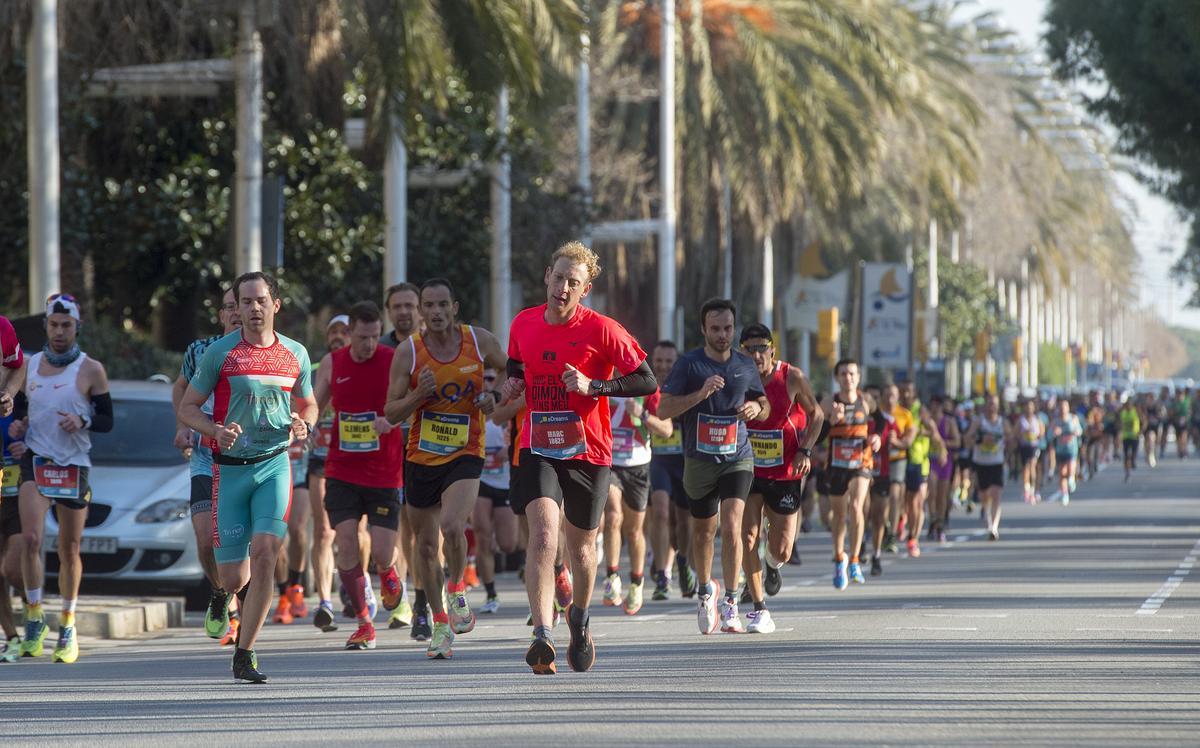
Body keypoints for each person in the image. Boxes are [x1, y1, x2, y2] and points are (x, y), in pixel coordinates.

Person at [502, 241, 656, 674]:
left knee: (583, 547)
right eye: (559, 278)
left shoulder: (604, 329)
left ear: (585, 289)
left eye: (574, 282)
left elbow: (646, 380)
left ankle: (580, 617)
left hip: (588, 449)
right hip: (537, 444)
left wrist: (595, 387)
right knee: (545, 535)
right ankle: (542, 635)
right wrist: (513, 386)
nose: (563, 288)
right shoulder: (523, 322)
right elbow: (517, 365)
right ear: (547, 276)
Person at [179, 272, 317, 683]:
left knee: (266, 553)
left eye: (261, 300)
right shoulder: (219, 353)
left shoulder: (296, 353)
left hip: (274, 464)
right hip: (229, 471)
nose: (253, 308)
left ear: (276, 305)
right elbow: (188, 406)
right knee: (233, 575)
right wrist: (214, 431)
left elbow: (309, 402)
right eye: (245, 302)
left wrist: (303, 423)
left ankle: (246, 652)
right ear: (235, 308)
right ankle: (222, 595)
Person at [385, 278, 509, 660]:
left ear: (454, 307)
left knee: (453, 526)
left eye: (443, 305)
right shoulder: (408, 353)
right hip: (421, 455)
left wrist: (494, 396)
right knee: (424, 547)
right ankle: (440, 622)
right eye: (430, 306)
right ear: (421, 311)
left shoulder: (479, 340)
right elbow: (391, 412)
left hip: (465, 451)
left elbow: (510, 371)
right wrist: (418, 395)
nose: (436, 312)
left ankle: (457, 588)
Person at [658, 299, 768, 635]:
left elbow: (764, 404)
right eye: (716, 328)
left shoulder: (745, 364)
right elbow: (663, 409)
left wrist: (754, 408)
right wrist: (700, 394)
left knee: (733, 525)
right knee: (704, 532)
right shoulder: (689, 365)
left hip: (738, 456)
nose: (723, 335)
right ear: (704, 329)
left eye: (728, 328)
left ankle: (732, 601)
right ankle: (706, 590)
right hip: (699, 459)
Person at [13, 294, 113, 663]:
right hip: (37, 461)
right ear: (46, 326)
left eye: (65, 326)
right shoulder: (30, 365)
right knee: (31, 538)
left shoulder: (91, 370)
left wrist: (82, 420)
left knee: (69, 548)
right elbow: (23, 408)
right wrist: (21, 424)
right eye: (53, 325)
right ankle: (35, 615)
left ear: (76, 327)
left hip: (73, 465)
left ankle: (68, 625)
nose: (59, 332)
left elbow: (107, 420)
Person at [311, 302, 405, 651]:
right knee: (345, 542)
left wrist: (391, 420)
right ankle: (365, 622)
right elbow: (317, 401)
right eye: (361, 337)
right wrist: (304, 424)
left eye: (373, 336)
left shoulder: (392, 358)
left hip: (384, 470)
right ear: (348, 333)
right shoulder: (334, 363)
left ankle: (390, 575)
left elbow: (408, 401)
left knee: (382, 553)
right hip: (342, 468)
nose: (368, 344)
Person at [738, 324, 821, 634]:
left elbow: (817, 416)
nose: (757, 354)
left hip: (785, 470)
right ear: (741, 352)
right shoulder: (737, 376)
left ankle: (771, 566)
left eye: (762, 348)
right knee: (748, 536)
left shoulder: (792, 377)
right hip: (746, 467)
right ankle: (760, 608)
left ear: (772, 349)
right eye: (750, 349)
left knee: (782, 548)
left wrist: (805, 451)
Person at [172, 288, 243, 644]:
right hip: (205, 458)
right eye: (228, 307)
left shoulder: (262, 353)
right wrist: (182, 426)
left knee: (243, 543)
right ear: (221, 314)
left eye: (240, 306)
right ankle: (219, 596)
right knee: (204, 540)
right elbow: (181, 389)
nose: (235, 313)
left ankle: (245, 613)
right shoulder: (200, 351)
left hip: (246, 462)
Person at [602, 387, 671, 616]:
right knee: (612, 516)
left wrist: (642, 414)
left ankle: (636, 582)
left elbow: (667, 429)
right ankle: (612, 577)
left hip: (638, 465)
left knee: (633, 530)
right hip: (609, 463)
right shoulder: (601, 382)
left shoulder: (647, 387)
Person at [381, 281, 425, 637]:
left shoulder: (437, 346)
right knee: (399, 530)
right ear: (389, 311)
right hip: (387, 451)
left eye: (410, 305)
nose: (404, 312)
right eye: (398, 306)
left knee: (424, 530)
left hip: (430, 448)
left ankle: (427, 601)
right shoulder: (380, 349)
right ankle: (408, 600)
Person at [306, 315, 354, 633]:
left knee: (355, 534)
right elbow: (303, 403)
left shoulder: (365, 368)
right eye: (332, 332)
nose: (337, 337)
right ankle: (324, 602)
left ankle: (351, 589)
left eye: (344, 332)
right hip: (321, 456)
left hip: (355, 458)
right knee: (324, 532)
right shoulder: (314, 369)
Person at [819, 359, 879, 590]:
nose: (848, 378)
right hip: (836, 465)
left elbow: (880, 422)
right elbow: (817, 435)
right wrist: (830, 421)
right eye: (843, 374)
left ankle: (854, 559)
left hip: (861, 462)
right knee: (839, 514)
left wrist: (877, 438)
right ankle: (838, 557)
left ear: (858, 377)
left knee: (856, 506)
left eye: (852, 373)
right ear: (837, 378)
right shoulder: (828, 402)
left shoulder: (866, 400)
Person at [647, 341, 697, 599]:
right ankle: (663, 575)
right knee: (661, 513)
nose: (663, 366)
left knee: (684, 521)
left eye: (668, 361)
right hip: (657, 460)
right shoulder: (645, 385)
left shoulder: (684, 385)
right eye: (659, 361)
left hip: (684, 460)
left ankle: (684, 560)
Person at [474, 371, 522, 614]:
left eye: (491, 378)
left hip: (505, 481)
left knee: (508, 543)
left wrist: (509, 448)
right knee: (482, 533)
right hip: (480, 479)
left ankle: (524, 562)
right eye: (483, 378)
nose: (486, 382)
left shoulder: (510, 403)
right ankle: (491, 593)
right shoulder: (473, 406)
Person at [965, 395, 1010, 540]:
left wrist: (1006, 443)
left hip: (997, 462)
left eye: (995, 404)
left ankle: (993, 528)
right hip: (981, 462)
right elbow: (967, 438)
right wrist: (980, 439)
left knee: (996, 494)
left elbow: (1012, 437)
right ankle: (986, 513)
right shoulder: (979, 422)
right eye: (990, 403)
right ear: (986, 406)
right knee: (984, 495)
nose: (992, 407)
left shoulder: (1002, 422)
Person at [867, 385, 900, 576]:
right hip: (862, 472)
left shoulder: (887, 421)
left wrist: (894, 441)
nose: (873, 400)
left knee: (879, 515)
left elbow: (897, 442)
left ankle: (877, 554)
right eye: (870, 396)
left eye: (876, 397)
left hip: (882, 473)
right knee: (862, 511)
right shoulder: (857, 419)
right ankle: (861, 546)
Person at [925, 395, 959, 543]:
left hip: (944, 461)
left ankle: (940, 523)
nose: (935, 408)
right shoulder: (926, 422)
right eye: (932, 405)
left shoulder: (949, 422)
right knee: (931, 490)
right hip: (929, 460)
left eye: (938, 406)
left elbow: (957, 441)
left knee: (942, 494)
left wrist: (942, 443)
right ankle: (933, 518)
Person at [1050, 399, 1084, 505]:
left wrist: (1075, 431)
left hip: (1071, 449)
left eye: (1065, 407)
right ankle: (1065, 494)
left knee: (1070, 469)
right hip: (1060, 449)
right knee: (1062, 473)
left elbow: (1080, 431)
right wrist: (1055, 433)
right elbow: (1049, 434)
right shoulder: (1055, 421)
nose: (1063, 409)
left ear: (1068, 408)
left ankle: (1072, 479)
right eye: (1061, 407)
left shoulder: (1073, 418)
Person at [1016, 399, 1044, 503]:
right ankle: (1026, 489)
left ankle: (1034, 489)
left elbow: (1042, 432)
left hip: (1034, 446)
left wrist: (1035, 435)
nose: (1029, 409)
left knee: (1032, 465)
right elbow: (1015, 432)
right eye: (1027, 407)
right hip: (1024, 446)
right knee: (1025, 468)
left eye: (1031, 407)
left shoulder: (1037, 419)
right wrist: (1022, 435)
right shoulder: (1021, 420)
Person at [1120, 396, 1141, 482]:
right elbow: (1119, 422)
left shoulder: (1136, 412)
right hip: (1125, 436)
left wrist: (1141, 431)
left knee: (1133, 454)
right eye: (1127, 405)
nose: (1128, 406)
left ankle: (1133, 460)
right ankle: (1127, 472)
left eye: (1129, 405)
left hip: (1134, 436)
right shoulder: (1123, 413)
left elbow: (1144, 420)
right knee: (1126, 456)